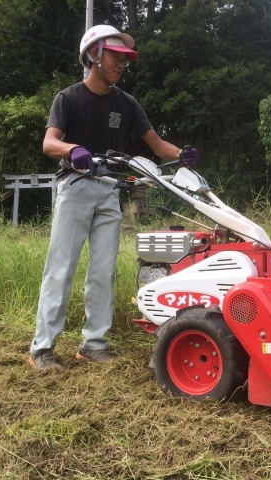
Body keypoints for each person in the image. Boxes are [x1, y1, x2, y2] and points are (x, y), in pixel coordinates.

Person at [29, 25, 199, 370]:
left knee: (103, 271)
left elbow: (155, 144)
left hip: (109, 190)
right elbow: (49, 143)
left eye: (125, 59)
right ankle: (42, 349)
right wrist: (73, 148)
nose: (121, 64)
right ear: (94, 55)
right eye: (115, 57)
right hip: (75, 187)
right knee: (60, 270)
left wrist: (182, 154)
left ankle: (93, 344)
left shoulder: (127, 103)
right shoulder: (69, 98)